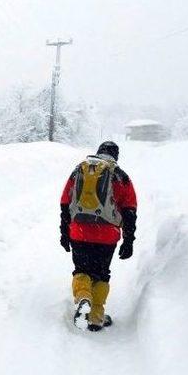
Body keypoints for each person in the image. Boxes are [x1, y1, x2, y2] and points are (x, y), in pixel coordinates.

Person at [59, 141, 137, 331]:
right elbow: (130, 210)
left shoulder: (79, 170)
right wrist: (128, 240)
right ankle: (95, 317)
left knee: (81, 270)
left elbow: (65, 202)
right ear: (115, 156)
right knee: (101, 274)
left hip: (79, 231)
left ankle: (83, 297)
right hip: (106, 235)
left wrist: (64, 232)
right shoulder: (121, 176)